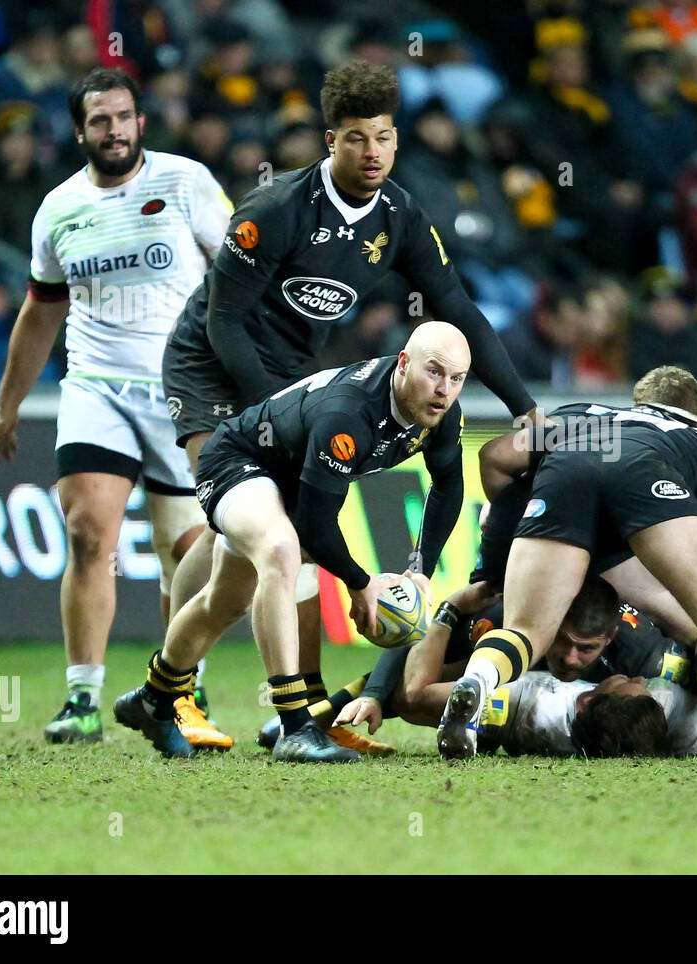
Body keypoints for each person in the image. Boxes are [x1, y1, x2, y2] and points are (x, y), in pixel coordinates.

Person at [159, 60, 537, 723]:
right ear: (329, 139)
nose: (373, 152)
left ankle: (172, 686)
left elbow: (459, 311)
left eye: (385, 137)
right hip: (212, 367)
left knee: (237, 551)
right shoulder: (275, 210)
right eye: (358, 138)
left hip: (291, 376)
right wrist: (272, 417)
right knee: (279, 543)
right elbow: (224, 321)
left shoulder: (398, 216)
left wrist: (521, 403)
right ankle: (275, 711)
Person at [0, 68, 233, 749]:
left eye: (123, 117)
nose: (113, 129)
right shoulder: (58, 210)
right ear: (80, 130)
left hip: (182, 388)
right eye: (99, 120)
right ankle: (82, 698)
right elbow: (39, 313)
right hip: (95, 386)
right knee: (90, 531)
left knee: (185, 548)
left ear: (142, 122)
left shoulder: (187, 183)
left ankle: (180, 689)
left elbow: (241, 272)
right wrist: (6, 409)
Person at [115, 322, 470, 761]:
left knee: (223, 602)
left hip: (286, 479)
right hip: (235, 461)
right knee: (281, 551)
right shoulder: (349, 413)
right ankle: (295, 726)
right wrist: (361, 584)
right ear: (403, 363)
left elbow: (449, 485)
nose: (444, 390)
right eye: (434, 372)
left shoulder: (440, 412)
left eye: (457, 379)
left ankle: (153, 698)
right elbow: (316, 524)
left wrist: (420, 570)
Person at [437, 366, 697, 761]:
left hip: (564, 483)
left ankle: (476, 683)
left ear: (637, 403)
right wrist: (692, 571)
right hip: (644, 485)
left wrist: (513, 534)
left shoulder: (580, 414)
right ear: (696, 419)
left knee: (526, 632)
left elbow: (494, 457)